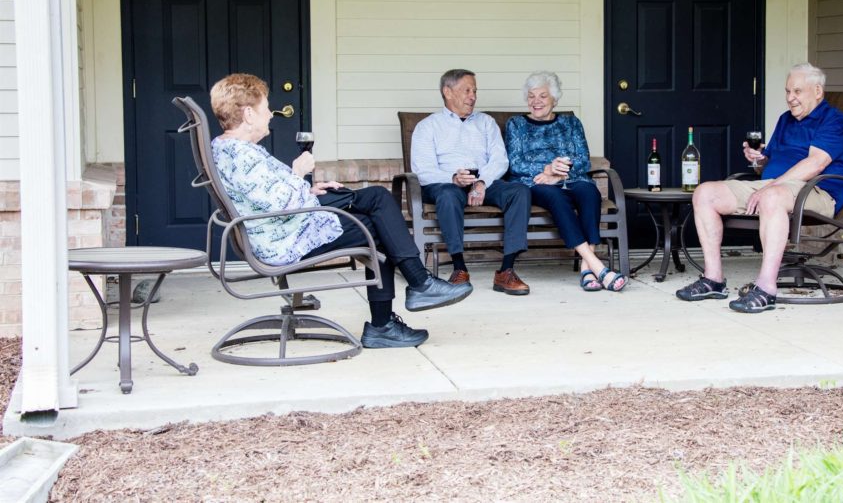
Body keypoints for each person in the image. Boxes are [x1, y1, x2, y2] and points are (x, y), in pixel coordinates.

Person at [208, 73, 472, 349]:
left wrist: (311, 189)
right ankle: (405, 300)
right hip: (285, 239)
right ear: (248, 114)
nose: (270, 115)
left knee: (377, 204)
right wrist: (299, 174)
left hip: (286, 226)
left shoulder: (231, 150)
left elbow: (267, 196)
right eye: (265, 109)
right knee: (380, 223)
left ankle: (410, 295)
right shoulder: (242, 155)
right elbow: (282, 202)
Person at [675, 63, 843, 313]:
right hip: (773, 187)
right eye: (788, 91)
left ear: (817, 91)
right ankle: (713, 279)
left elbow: (815, 164)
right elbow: (769, 167)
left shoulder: (833, 120)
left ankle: (766, 288)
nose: (791, 98)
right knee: (705, 193)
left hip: (817, 191)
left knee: (771, 197)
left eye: (797, 92)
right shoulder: (786, 120)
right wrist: (758, 160)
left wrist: (770, 186)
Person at [410, 69, 532, 295]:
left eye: (475, 90)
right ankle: (459, 268)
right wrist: (453, 178)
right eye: (467, 90)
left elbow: (499, 160)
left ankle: (506, 271)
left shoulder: (486, 122)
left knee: (519, 191)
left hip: (483, 179)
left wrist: (482, 182)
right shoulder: (428, 126)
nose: (473, 96)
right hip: (444, 182)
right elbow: (422, 170)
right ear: (448, 92)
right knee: (447, 195)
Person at [505, 72, 626, 292]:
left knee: (590, 193)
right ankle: (597, 265)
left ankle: (585, 269)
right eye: (531, 96)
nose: (536, 101)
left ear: (555, 98)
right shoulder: (516, 124)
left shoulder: (571, 122)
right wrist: (547, 170)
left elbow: (583, 159)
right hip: (535, 182)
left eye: (542, 96)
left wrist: (558, 174)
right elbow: (514, 163)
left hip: (570, 178)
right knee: (556, 198)